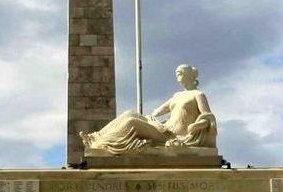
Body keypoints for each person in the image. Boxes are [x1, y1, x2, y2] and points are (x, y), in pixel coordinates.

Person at [80, 64, 218, 154]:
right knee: (129, 113)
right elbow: (158, 111)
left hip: (173, 135)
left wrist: (197, 125)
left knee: (132, 123)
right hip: (164, 128)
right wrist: (152, 117)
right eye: (177, 74)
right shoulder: (177, 95)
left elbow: (208, 117)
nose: (177, 77)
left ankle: (102, 144)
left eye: (180, 73)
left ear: (190, 76)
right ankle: (95, 138)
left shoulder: (198, 95)